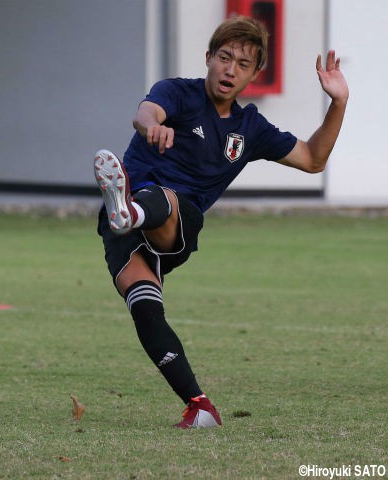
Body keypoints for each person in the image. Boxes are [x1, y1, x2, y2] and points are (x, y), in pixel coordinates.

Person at [94, 16, 348, 428]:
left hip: (175, 223)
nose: (231, 69)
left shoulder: (250, 129)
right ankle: (200, 407)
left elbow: (313, 160)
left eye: (243, 64)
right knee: (146, 312)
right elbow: (145, 113)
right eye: (224, 57)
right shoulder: (177, 92)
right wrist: (153, 126)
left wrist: (338, 102)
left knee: (162, 198)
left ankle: (133, 210)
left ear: (253, 74)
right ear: (208, 58)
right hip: (121, 231)